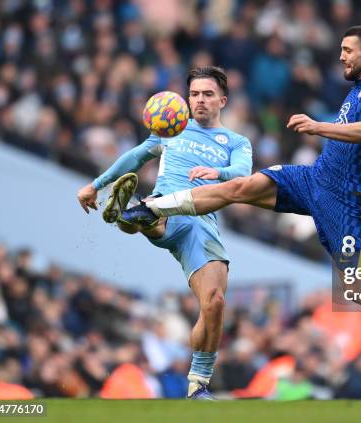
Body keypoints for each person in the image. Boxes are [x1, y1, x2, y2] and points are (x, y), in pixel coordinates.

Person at [122, 25, 361, 388]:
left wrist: (318, 127)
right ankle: (156, 208)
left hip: (347, 202)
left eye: (347, 50)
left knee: (353, 286)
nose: (341, 56)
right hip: (313, 179)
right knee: (240, 186)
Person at [76, 66, 253, 399]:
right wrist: (95, 185)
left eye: (208, 94)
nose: (200, 100)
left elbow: (242, 174)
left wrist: (218, 170)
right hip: (167, 207)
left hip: (202, 224)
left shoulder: (236, 142)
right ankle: (140, 213)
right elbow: (135, 156)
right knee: (157, 211)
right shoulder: (173, 129)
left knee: (214, 303)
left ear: (223, 100)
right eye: (195, 94)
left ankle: (198, 384)